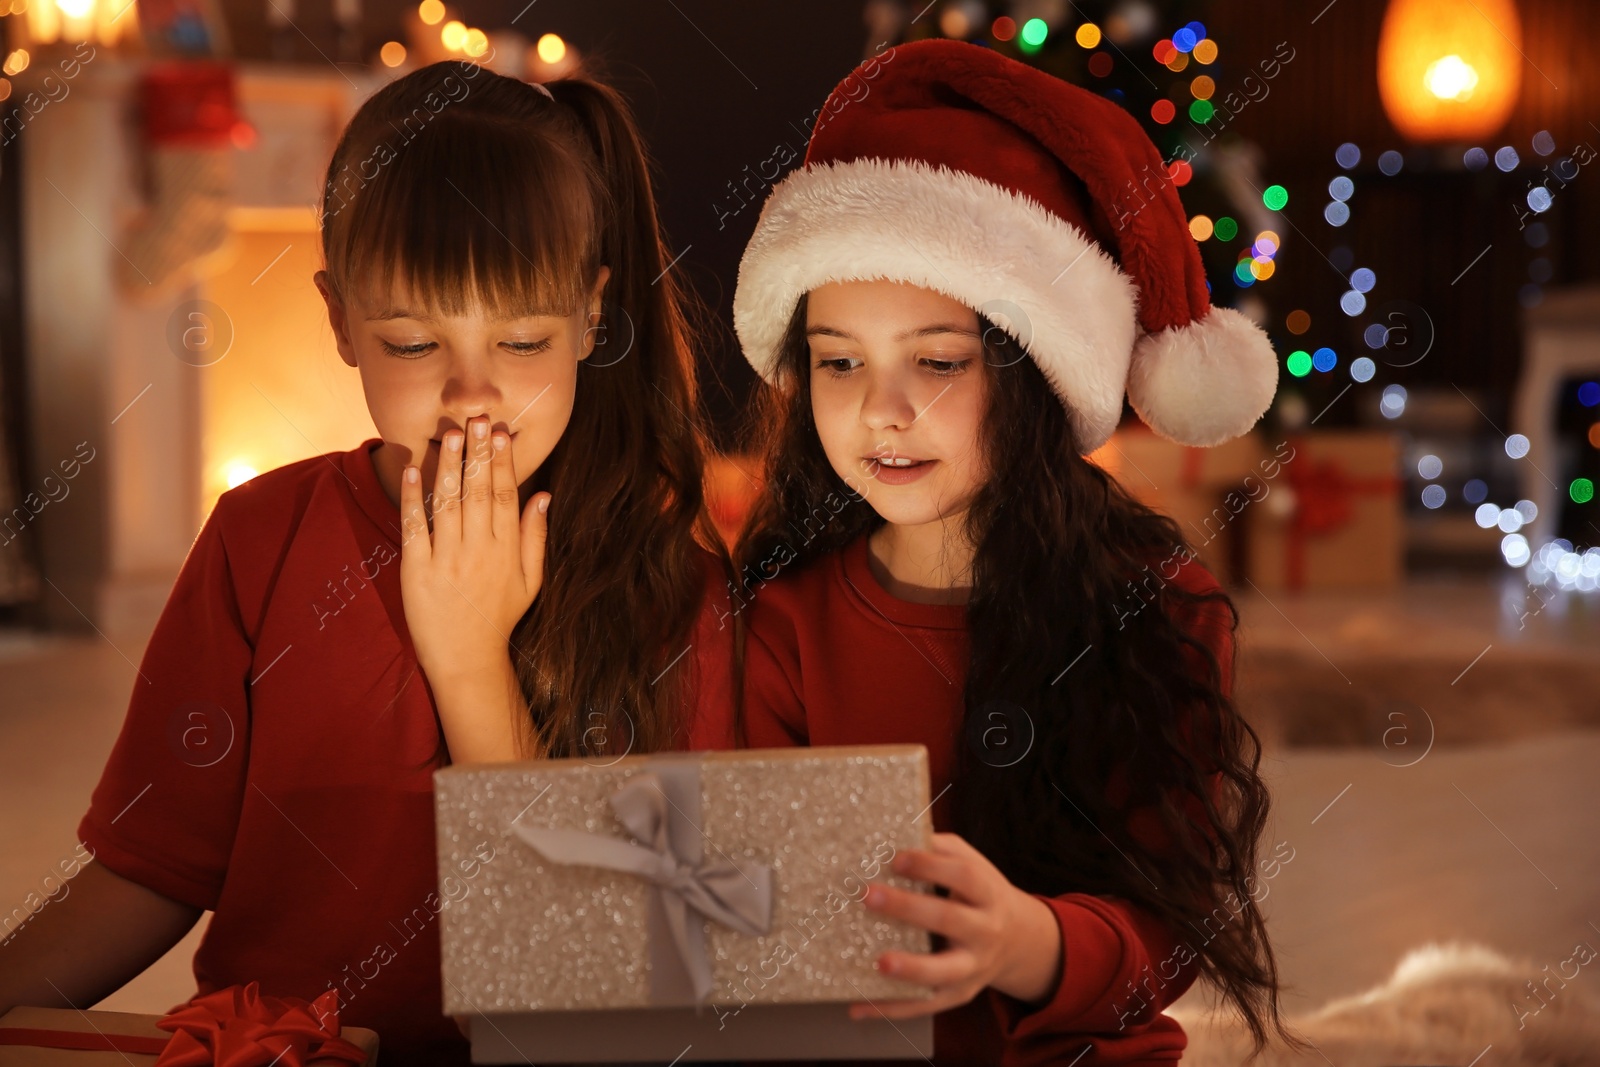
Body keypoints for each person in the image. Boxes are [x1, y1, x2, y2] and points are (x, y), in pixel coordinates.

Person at [0, 60, 732, 1066]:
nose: (472, 396)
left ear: (592, 316)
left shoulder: (670, 585)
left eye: (522, 342)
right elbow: (155, 863)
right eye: (413, 343)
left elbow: (613, 957)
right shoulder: (259, 537)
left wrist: (472, 659)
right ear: (340, 317)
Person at [726, 39, 1301, 1065]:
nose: (879, 408)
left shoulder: (1156, 605)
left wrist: (1025, 941)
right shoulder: (782, 620)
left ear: (1033, 373)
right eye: (837, 361)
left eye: (936, 360)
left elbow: (1164, 928)